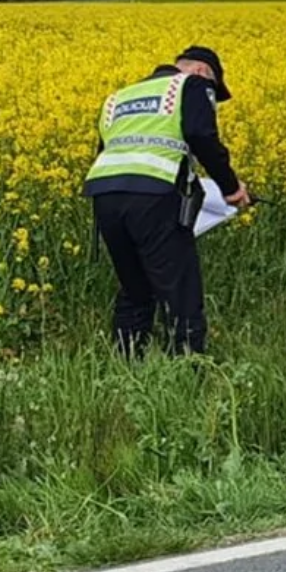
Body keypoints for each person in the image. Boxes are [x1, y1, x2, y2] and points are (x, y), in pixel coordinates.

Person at [82, 46, 250, 358]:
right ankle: (187, 369)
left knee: (135, 288)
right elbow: (202, 136)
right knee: (180, 288)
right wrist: (231, 188)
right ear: (201, 71)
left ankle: (127, 363)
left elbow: (106, 149)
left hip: (105, 196)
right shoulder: (192, 85)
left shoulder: (120, 96)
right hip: (153, 195)